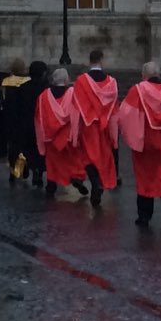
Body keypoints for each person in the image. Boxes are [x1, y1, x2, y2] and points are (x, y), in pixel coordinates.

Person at [119, 61, 161, 228]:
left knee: (145, 176)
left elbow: (126, 113)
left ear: (144, 75)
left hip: (146, 138)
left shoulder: (138, 90)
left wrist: (132, 136)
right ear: (159, 74)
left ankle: (144, 216)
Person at [71, 49, 119, 207]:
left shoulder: (81, 81)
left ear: (89, 60)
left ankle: (95, 182)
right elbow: (114, 108)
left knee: (87, 157)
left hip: (88, 125)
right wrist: (114, 133)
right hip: (104, 126)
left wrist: (74, 131)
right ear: (101, 60)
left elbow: (76, 107)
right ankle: (100, 183)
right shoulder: (111, 82)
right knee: (104, 157)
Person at [34, 66, 83, 197]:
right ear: (66, 80)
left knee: (52, 163)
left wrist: (42, 137)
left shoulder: (44, 96)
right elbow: (77, 114)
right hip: (67, 135)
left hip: (51, 136)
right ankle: (76, 177)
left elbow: (39, 117)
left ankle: (51, 184)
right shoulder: (73, 94)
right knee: (73, 159)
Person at [19, 60, 50, 187]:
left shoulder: (23, 88)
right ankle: (39, 172)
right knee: (41, 151)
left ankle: (31, 169)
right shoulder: (46, 89)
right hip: (41, 124)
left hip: (27, 124)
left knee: (29, 149)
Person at [0, 58, 31, 182]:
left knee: (12, 146)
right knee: (23, 145)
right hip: (23, 117)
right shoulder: (27, 82)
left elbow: (3, 100)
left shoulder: (6, 82)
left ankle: (14, 170)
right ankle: (24, 166)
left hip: (9, 117)